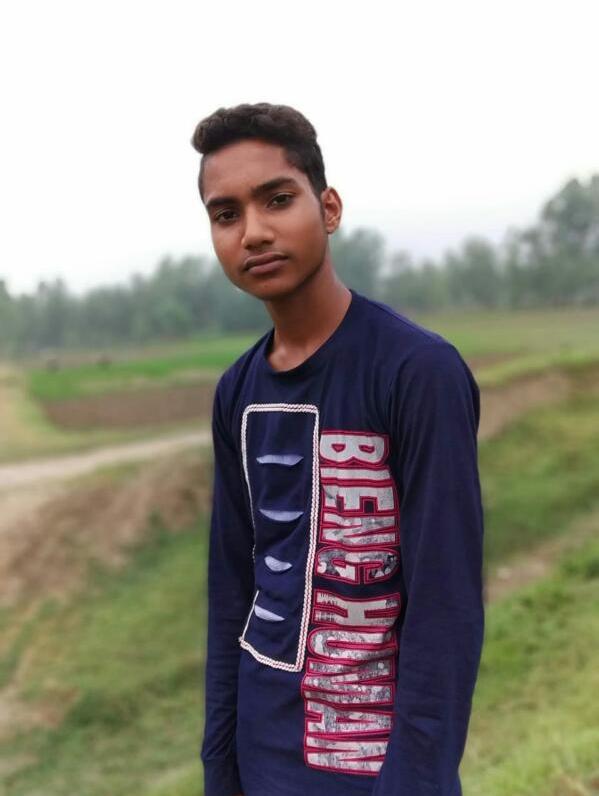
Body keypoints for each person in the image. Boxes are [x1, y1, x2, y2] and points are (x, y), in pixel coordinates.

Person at [191, 102, 484, 796]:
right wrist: (220, 766)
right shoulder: (237, 392)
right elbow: (232, 592)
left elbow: (446, 606)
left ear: (328, 209)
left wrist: (414, 779)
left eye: (277, 199)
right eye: (226, 214)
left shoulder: (416, 372)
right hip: (263, 759)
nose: (254, 232)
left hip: (378, 767)